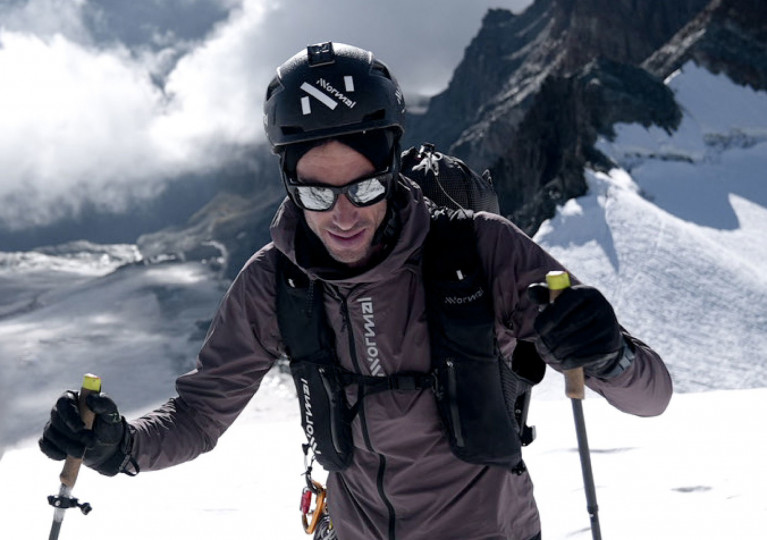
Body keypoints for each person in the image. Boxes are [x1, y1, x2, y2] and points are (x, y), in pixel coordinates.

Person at [40, 42, 673, 540]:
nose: (343, 215)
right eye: (317, 192)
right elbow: (200, 414)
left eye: (364, 187)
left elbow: (652, 396)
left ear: (391, 168)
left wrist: (607, 351)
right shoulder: (274, 282)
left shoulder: (482, 251)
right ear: (288, 182)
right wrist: (120, 445)